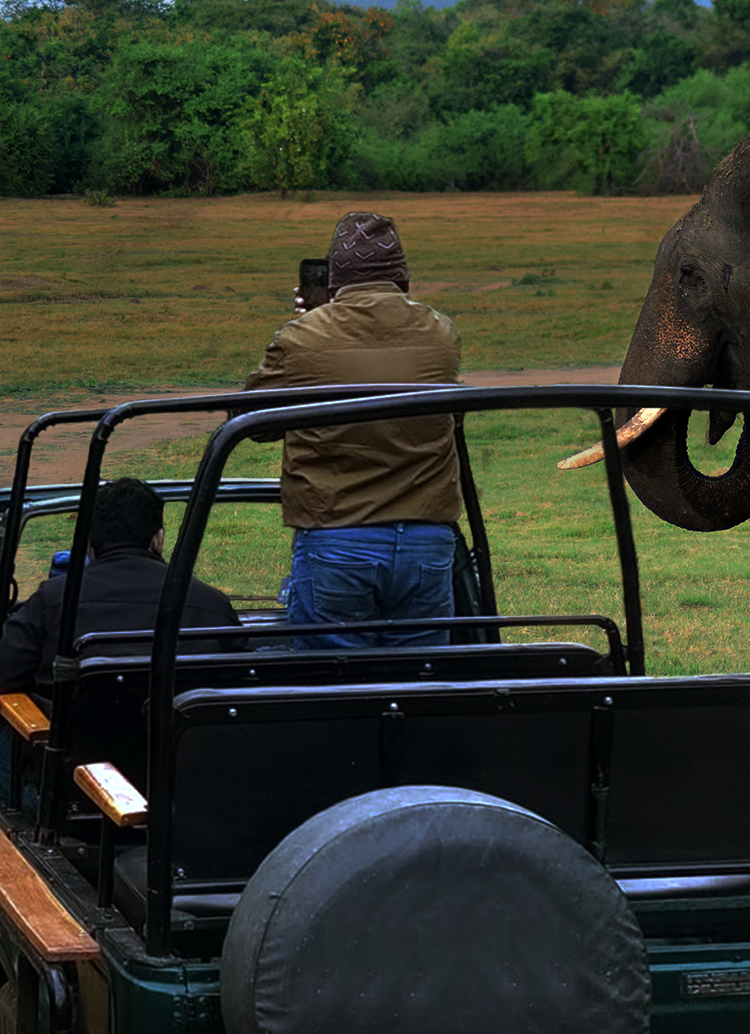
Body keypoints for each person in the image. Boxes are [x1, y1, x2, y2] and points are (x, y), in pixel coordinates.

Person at [242, 212, 462, 649]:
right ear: (400, 276)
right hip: (426, 539)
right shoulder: (441, 333)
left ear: (335, 277)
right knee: (421, 684)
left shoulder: (302, 337)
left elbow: (251, 423)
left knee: (335, 688)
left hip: (338, 534)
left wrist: (314, 319)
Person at [0, 478, 243, 701]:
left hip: (77, 746)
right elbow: (240, 684)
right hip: (186, 747)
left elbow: (6, 675)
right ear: (158, 539)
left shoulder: (52, 599)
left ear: (89, 546)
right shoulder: (212, 605)